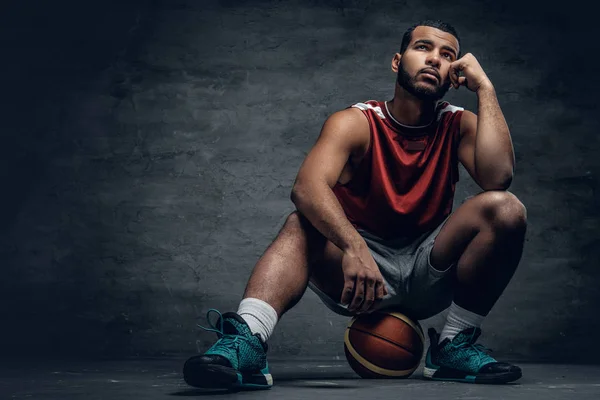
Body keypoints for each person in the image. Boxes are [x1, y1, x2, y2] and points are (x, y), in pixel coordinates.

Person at [183, 19, 527, 389]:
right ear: (398, 61)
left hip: (430, 269)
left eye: (447, 55)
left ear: (455, 73)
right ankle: (247, 340)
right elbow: (307, 187)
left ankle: (453, 344)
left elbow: (498, 179)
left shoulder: (458, 124)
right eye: (422, 48)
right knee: (300, 223)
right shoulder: (356, 122)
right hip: (360, 274)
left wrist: (485, 89)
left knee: (505, 208)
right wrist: (353, 246)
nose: (434, 60)